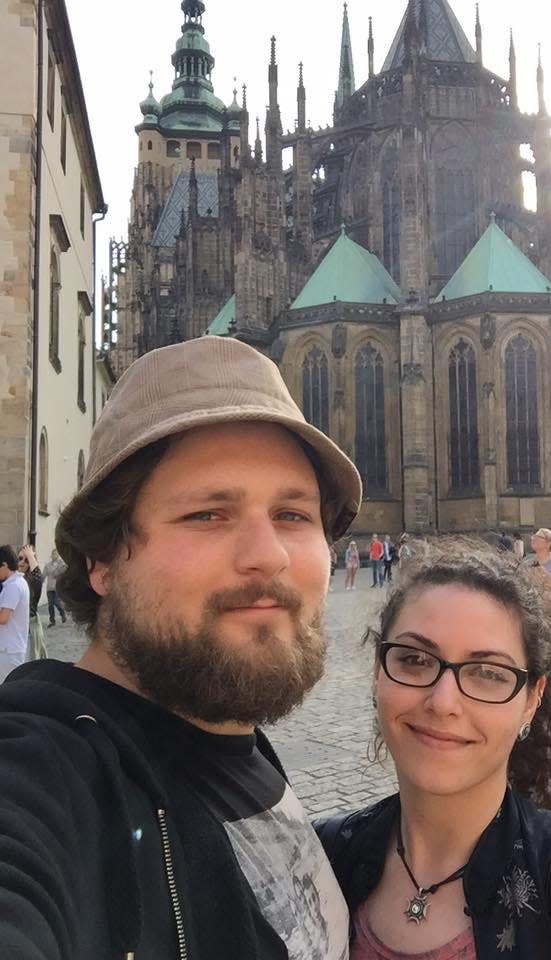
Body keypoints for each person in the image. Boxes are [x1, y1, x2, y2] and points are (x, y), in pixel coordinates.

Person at [0, 336, 362, 959]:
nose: (268, 556)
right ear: (102, 560)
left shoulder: (222, 721)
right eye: (207, 515)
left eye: (293, 514)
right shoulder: (43, 776)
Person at [317, 546, 551, 959]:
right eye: (414, 659)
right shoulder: (316, 860)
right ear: (378, 674)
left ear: (532, 700)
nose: (443, 702)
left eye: (488, 673)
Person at [0, 546, 30, 682]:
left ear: (5, 565)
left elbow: (3, 618)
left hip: (9, 650)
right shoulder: (15, 583)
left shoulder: (14, 586)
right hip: (10, 648)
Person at [16, 545, 47, 661]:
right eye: (20, 558)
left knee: (27, 661)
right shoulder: (10, 579)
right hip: (13, 628)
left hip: (29, 628)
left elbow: (38, 576)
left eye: (27, 560)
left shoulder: (32, 581)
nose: (23, 562)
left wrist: (30, 555)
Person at [42, 548, 68, 626]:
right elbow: (43, 575)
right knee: (50, 605)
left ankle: (62, 613)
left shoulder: (62, 564)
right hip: (49, 588)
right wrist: (40, 581)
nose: (54, 555)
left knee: (57, 602)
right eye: (53, 554)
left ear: (58, 555)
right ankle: (52, 621)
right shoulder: (48, 565)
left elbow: (65, 569)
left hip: (57, 587)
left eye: (56, 554)